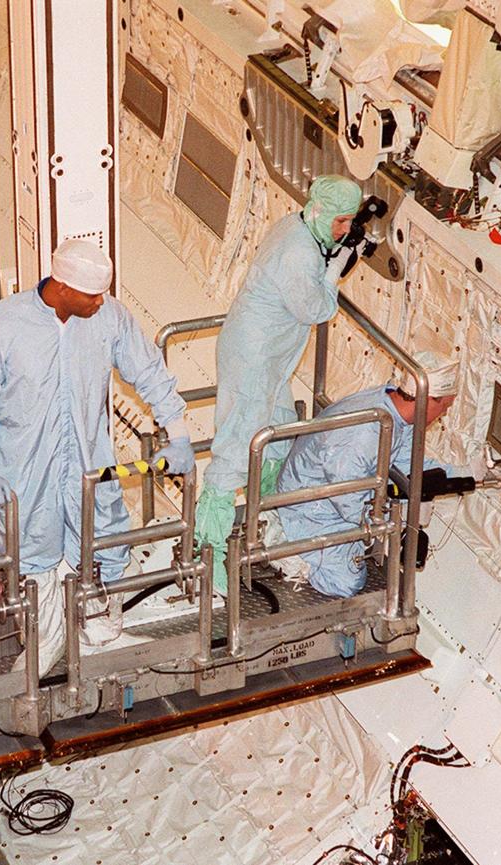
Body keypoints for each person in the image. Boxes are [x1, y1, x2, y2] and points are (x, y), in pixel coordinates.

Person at [0, 239, 194, 672]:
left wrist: (177, 433)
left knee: (103, 543)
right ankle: (42, 652)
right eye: (91, 294)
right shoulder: (4, 325)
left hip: (89, 462)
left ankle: (100, 635)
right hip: (25, 468)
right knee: (34, 554)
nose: (100, 301)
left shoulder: (109, 318)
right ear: (62, 286)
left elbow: (149, 372)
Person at [195, 175, 364, 590]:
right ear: (321, 211)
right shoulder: (298, 252)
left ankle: (267, 519)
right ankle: (208, 551)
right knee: (236, 448)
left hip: (267, 358)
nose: (343, 231)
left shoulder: (297, 225)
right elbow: (315, 309)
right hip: (254, 358)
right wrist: (336, 269)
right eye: (340, 222)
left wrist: (334, 253)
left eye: (349, 223)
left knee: (279, 436)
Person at [272, 351, 460, 597]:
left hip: (334, 497)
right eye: (444, 407)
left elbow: (408, 462)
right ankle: (291, 553)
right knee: (346, 583)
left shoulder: (395, 412)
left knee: (360, 557)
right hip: (309, 508)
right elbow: (344, 492)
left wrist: (461, 475)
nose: (443, 414)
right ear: (428, 399)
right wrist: (382, 525)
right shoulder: (366, 430)